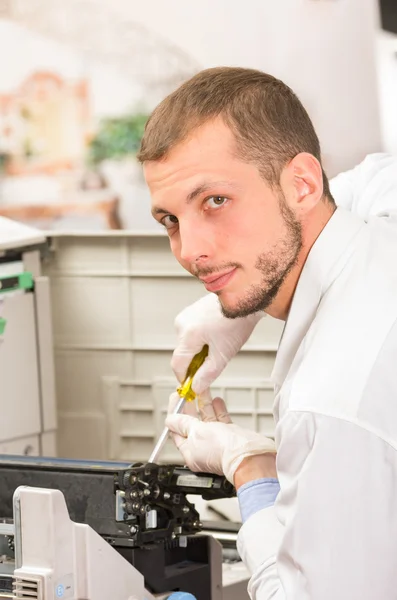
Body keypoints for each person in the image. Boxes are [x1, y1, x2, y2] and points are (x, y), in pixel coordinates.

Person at [137, 67, 397, 599]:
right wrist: (238, 309)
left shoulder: (330, 403)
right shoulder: (381, 218)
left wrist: (253, 475)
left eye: (214, 201)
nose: (190, 251)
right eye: (170, 219)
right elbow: (366, 178)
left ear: (302, 183)